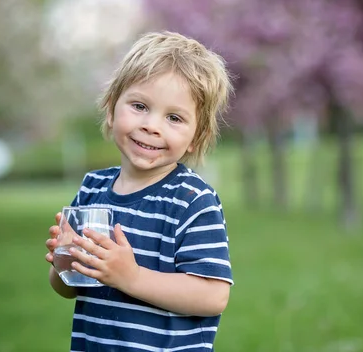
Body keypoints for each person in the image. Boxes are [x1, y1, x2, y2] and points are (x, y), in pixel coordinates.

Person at [45, 31, 234, 351]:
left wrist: (130, 277)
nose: (152, 125)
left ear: (195, 137)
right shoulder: (92, 189)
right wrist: (64, 264)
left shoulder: (192, 201)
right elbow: (68, 288)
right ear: (111, 108)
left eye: (174, 117)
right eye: (139, 106)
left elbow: (213, 296)